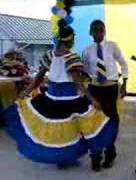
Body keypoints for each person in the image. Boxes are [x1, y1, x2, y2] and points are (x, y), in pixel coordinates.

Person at [3, 21, 116, 170]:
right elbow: (78, 83)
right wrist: (92, 99)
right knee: (90, 128)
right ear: (70, 40)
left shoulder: (49, 55)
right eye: (73, 39)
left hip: (51, 98)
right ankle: (91, 160)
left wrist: (27, 91)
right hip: (70, 99)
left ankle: (63, 159)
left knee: (59, 132)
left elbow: (38, 77)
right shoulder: (72, 57)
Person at [82, 20, 129, 170]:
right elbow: (84, 72)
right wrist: (85, 89)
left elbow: (123, 63)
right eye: (95, 30)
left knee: (110, 120)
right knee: (94, 121)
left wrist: (125, 83)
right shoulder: (87, 50)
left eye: (101, 30)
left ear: (105, 31)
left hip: (110, 88)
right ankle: (95, 156)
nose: (99, 33)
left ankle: (110, 153)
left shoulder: (112, 46)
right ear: (90, 32)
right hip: (95, 88)